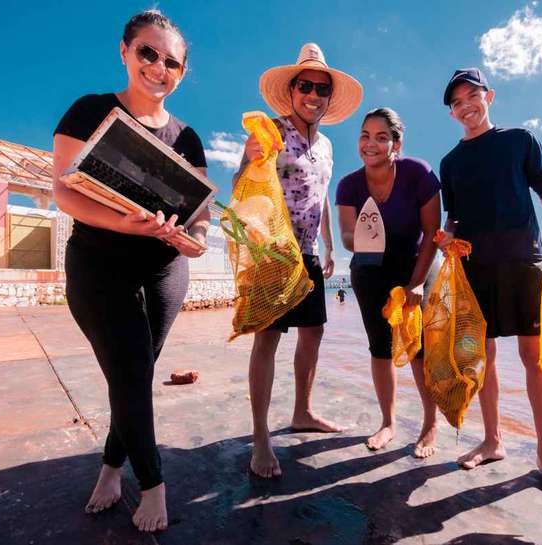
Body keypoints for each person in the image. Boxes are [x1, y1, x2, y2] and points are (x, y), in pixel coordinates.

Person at [52, 10, 209, 531]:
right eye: (148, 53)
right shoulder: (90, 111)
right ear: (125, 51)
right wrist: (128, 223)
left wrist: (187, 240)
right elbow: (63, 192)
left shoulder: (188, 139)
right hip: (99, 265)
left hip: (164, 270)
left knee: (134, 376)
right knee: (131, 373)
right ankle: (154, 485)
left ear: (181, 72)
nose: (158, 67)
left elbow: (200, 228)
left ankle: (111, 469)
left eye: (172, 62)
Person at [438, 68, 542, 502]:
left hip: (524, 263)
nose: (466, 106)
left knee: (534, 359)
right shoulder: (450, 163)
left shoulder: (520, 140)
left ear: (489, 97)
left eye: (472, 96)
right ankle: (493, 440)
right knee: (484, 359)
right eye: (457, 103)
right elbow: (454, 219)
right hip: (477, 269)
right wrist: (445, 238)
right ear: (452, 113)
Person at [236, 43, 362, 478]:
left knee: (314, 333)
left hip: (307, 254)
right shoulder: (269, 131)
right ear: (291, 91)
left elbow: (321, 196)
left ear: (329, 98)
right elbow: (239, 182)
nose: (313, 94)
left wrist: (329, 247)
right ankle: (259, 436)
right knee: (267, 340)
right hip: (272, 250)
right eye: (305, 85)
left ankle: (302, 411)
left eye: (321, 89)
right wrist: (250, 161)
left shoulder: (326, 145)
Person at [336, 108, 441, 458]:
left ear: (397, 143)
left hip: (416, 264)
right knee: (379, 348)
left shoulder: (418, 173)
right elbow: (348, 235)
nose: (371, 143)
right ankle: (388, 422)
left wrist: (416, 284)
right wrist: (362, 239)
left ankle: (430, 424)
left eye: (382, 137)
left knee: (418, 348)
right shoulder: (349, 184)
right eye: (365, 135)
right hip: (370, 269)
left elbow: (431, 233)